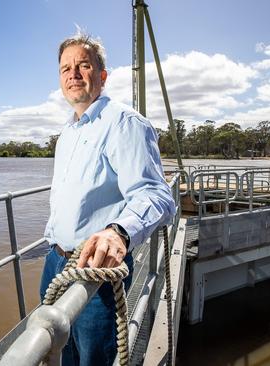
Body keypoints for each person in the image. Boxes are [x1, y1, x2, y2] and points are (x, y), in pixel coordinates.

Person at [40, 31, 176, 365]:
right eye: (65, 68)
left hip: (96, 271)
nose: (73, 74)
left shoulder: (125, 124)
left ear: (102, 76)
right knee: (59, 353)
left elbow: (157, 195)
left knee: (93, 359)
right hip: (55, 262)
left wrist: (118, 232)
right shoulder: (67, 134)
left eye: (83, 65)